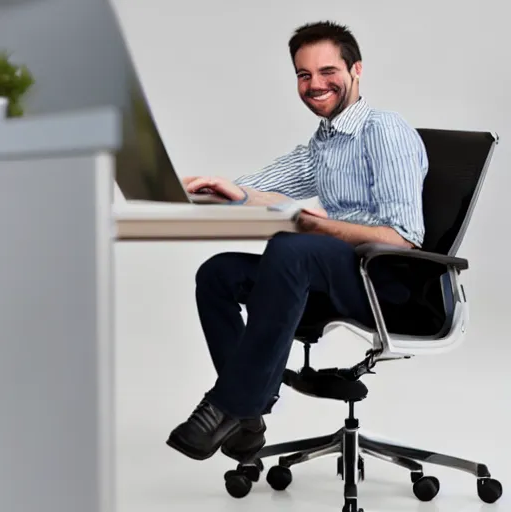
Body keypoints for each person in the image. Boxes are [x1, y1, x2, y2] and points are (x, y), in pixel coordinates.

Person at [166, 21, 428, 462]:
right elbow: (260, 186)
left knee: (292, 246)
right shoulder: (324, 142)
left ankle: (230, 403)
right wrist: (206, 188)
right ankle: (248, 417)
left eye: (327, 71)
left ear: (356, 70)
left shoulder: (384, 130)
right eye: (304, 75)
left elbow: (403, 239)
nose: (315, 84)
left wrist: (316, 227)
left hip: (386, 283)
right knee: (218, 273)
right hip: (331, 273)